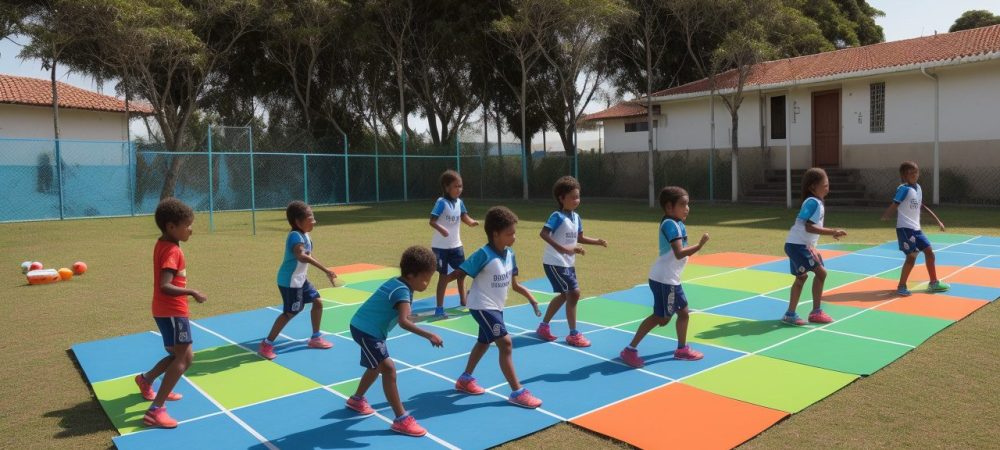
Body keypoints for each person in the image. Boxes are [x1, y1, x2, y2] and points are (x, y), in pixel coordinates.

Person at [446, 206, 544, 408]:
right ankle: (517, 392)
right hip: (481, 306)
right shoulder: (483, 254)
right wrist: (441, 282)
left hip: (496, 307)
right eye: (510, 233)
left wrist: (531, 299)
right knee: (505, 344)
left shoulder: (510, 255)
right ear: (495, 234)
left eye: (514, 232)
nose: (514, 237)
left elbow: (514, 284)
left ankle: (465, 379)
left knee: (483, 342)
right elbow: (460, 272)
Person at [345, 246, 442, 437]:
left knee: (375, 367)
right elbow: (404, 321)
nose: (427, 283)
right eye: (426, 278)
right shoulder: (402, 291)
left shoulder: (400, 284)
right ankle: (401, 420)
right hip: (366, 331)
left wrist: (421, 318)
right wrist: (429, 334)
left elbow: (404, 315)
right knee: (388, 368)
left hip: (367, 329)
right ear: (412, 275)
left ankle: (356, 400)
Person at [135, 198, 207, 428]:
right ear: (171, 226)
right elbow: (165, 285)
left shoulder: (163, 243)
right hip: (173, 312)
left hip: (162, 310)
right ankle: (156, 410)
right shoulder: (172, 251)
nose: (191, 230)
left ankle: (146, 380)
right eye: (187, 225)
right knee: (186, 358)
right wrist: (192, 291)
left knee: (176, 356)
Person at [620, 187, 708, 368]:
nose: (687, 208)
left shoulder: (677, 223)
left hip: (670, 278)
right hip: (664, 280)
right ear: (669, 207)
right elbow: (678, 253)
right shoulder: (670, 224)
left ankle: (682, 349)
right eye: (683, 204)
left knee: (683, 313)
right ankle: (629, 349)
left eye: (688, 204)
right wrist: (699, 246)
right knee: (661, 318)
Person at [258, 201, 337, 360]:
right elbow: (301, 255)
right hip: (290, 281)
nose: (314, 221)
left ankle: (315, 338)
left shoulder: (305, 235)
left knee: (317, 302)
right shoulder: (295, 236)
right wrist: (325, 270)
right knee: (291, 312)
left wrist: (325, 269)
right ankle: (266, 344)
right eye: (310, 218)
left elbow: (307, 254)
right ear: (298, 222)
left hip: (300, 279)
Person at [536, 175, 607, 347]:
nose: (577, 200)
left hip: (567, 262)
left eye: (578, 196)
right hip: (554, 262)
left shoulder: (576, 217)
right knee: (574, 293)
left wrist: (596, 241)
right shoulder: (557, 216)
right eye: (573, 197)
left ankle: (543, 327)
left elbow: (579, 238)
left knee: (564, 295)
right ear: (561, 198)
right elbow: (543, 234)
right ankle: (574, 334)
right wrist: (563, 249)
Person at [780, 168, 846, 326]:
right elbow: (808, 227)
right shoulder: (813, 202)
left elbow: (807, 225)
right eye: (824, 185)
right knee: (821, 273)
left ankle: (790, 314)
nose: (827, 188)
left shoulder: (814, 202)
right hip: (799, 246)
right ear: (812, 187)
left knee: (801, 278)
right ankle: (815, 312)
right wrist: (832, 231)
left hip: (799, 245)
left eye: (828, 185)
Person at [880, 161, 949, 296]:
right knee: (911, 257)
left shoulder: (918, 188)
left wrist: (938, 221)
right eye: (910, 173)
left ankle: (933, 283)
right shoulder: (903, 189)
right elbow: (895, 204)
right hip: (905, 229)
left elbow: (921, 206)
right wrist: (886, 216)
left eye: (915, 172)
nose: (913, 175)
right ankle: (901, 286)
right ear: (904, 175)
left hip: (916, 229)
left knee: (929, 253)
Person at [429, 170, 479, 318]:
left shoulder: (459, 203)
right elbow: (432, 221)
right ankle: (439, 308)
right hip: (441, 247)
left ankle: (464, 301)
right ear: (446, 187)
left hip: (456, 245)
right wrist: (441, 229)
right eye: (456, 186)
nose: (459, 189)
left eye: (461, 186)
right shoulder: (441, 203)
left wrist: (470, 222)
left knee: (462, 273)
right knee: (443, 276)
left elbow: (464, 216)